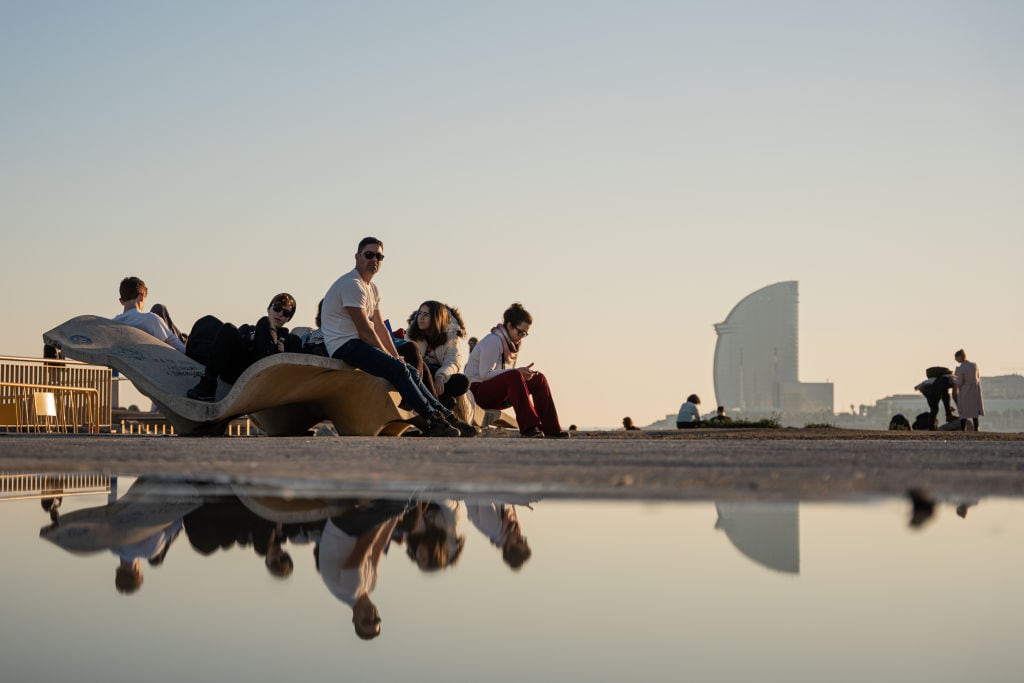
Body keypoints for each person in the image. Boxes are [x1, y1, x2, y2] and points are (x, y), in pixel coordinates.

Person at [321, 237, 478, 438]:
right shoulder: (352, 284)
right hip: (345, 345)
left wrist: (395, 355)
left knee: (409, 368)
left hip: (359, 343)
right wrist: (390, 357)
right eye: (369, 255)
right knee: (399, 369)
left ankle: (446, 415)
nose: (374, 259)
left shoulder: (372, 288)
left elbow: (379, 327)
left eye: (379, 256)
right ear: (357, 257)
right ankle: (432, 420)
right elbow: (365, 330)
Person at [464, 302, 567, 438]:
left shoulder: (512, 346)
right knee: (514, 375)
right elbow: (485, 374)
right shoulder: (493, 340)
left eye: (525, 334)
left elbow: (505, 376)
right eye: (520, 332)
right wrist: (518, 373)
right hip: (476, 393)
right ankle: (529, 427)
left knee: (538, 379)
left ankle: (551, 429)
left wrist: (522, 375)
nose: (521, 337)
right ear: (510, 326)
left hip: (496, 393)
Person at [186, 293, 298, 401]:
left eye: (286, 313)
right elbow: (230, 345)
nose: (280, 314)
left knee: (265, 322)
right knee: (224, 326)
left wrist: (283, 354)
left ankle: (271, 350)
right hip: (238, 369)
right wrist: (251, 337)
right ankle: (208, 385)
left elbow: (296, 372)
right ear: (269, 309)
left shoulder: (291, 339)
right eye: (277, 308)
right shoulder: (247, 329)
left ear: (288, 319)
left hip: (263, 376)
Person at [401, 301, 471, 410]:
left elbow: (453, 361)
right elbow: (412, 360)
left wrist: (441, 376)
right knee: (448, 401)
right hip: (420, 373)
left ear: (436, 318)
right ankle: (440, 401)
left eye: (426, 315)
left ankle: (438, 399)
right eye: (419, 313)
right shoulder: (411, 333)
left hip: (438, 375)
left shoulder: (451, 336)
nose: (421, 317)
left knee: (463, 381)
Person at [112, 276, 186, 352]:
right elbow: (182, 350)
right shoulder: (151, 319)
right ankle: (184, 339)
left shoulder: (112, 323)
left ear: (121, 301)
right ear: (141, 296)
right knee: (159, 308)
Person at [952, 349, 985, 431]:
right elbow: (977, 377)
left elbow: (959, 382)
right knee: (974, 412)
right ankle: (976, 428)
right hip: (974, 391)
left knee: (963, 412)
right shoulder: (974, 365)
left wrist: (952, 379)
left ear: (960, 357)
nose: (955, 360)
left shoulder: (961, 368)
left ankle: (963, 429)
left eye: (956, 358)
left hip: (965, 391)